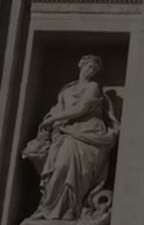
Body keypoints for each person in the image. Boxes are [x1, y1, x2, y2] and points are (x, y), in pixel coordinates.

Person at [22, 55, 119, 221]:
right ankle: (47, 208)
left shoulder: (93, 86)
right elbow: (59, 108)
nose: (91, 71)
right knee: (58, 167)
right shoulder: (67, 89)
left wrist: (54, 119)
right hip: (65, 132)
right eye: (89, 67)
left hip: (87, 132)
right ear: (81, 65)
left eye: (95, 69)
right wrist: (51, 118)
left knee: (70, 169)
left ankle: (70, 210)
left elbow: (82, 108)